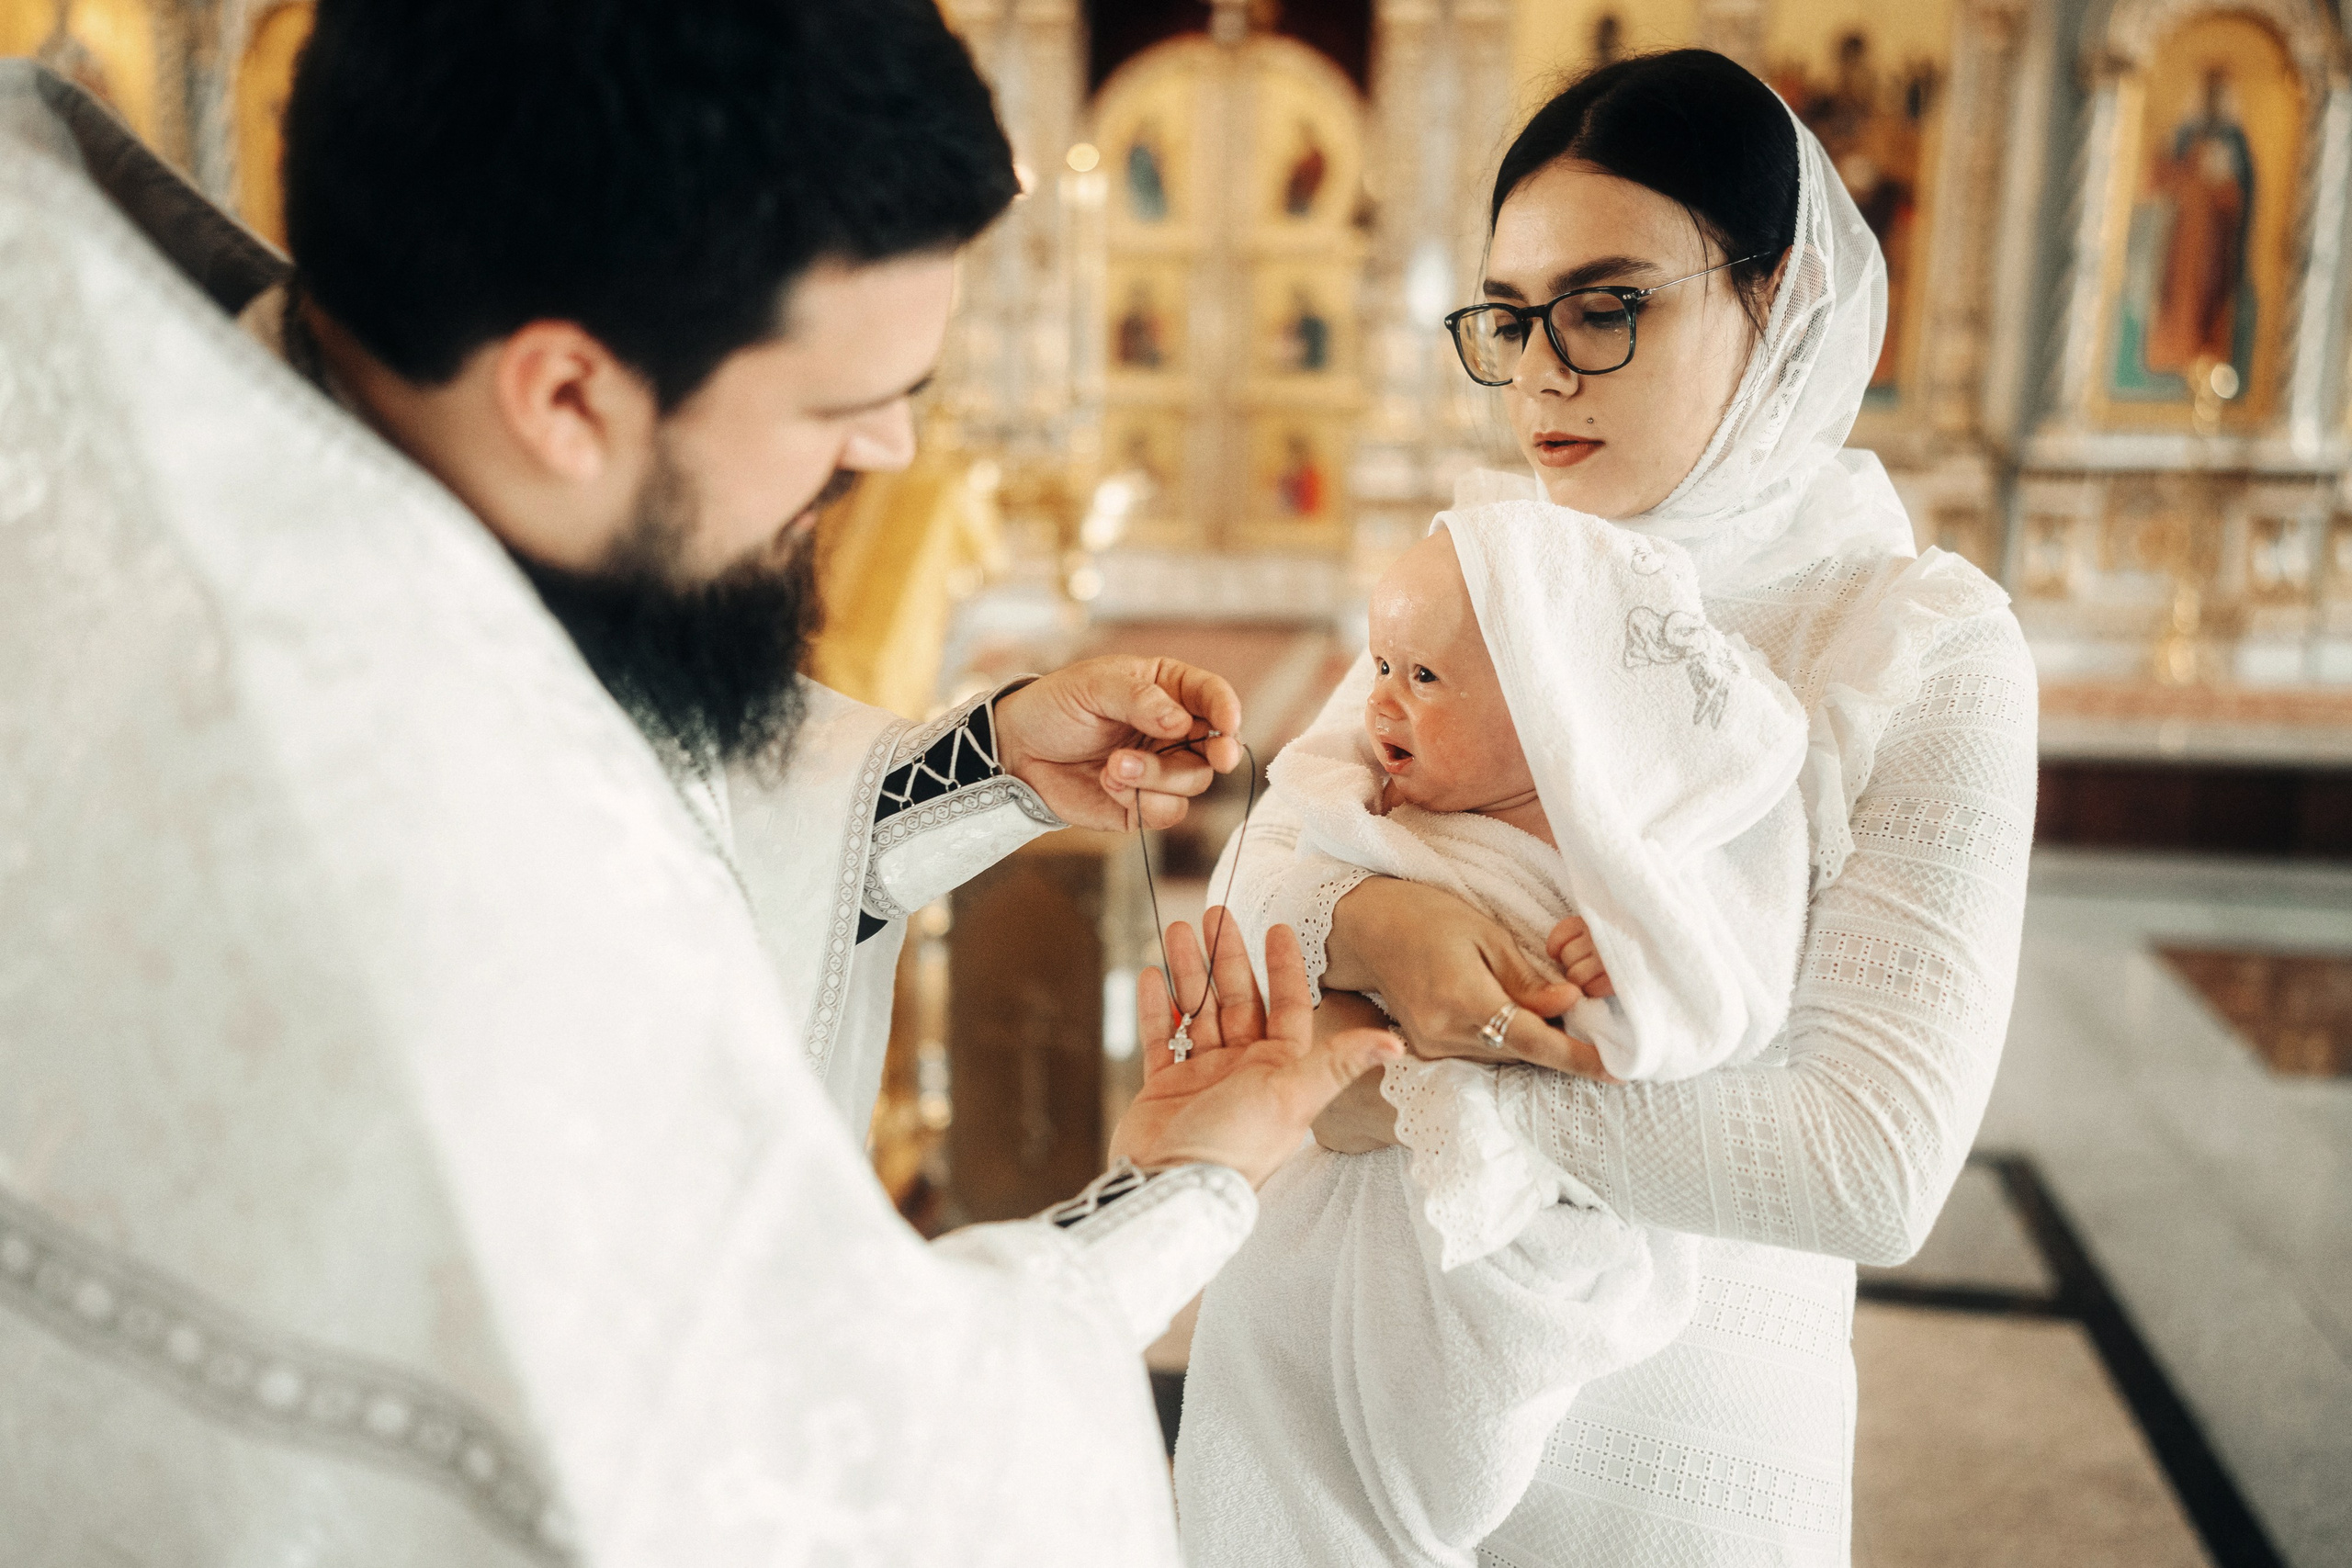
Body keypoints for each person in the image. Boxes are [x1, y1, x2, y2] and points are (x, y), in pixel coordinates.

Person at [0, 3, 1402, 1562]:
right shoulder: (437, 872)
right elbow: (830, 1475)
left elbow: (645, 765)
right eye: (838, 403)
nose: (887, 450)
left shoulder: (183, 405)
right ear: (565, 397)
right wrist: (1183, 1189)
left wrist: (975, 764)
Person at [1220, 50, 2036, 1564]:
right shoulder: (1494, 578)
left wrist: (1440, 1058)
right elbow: (1251, 898)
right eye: (1509, 316)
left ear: (1775, 300)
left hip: (1678, 1430)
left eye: (1605, 307)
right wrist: (1377, 918)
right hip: (1335, 1384)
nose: (1539, 373)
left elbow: (1869, 1163)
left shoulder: (1917, 643)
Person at [1179, 505, 1817, 1566]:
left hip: (1494, 1237)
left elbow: (1718, 999)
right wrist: (1360, 920)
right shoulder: (1370, 799)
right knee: (1262, 1362)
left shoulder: (1624, 858)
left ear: (1551, 700)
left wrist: (1630, 981)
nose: (1379, 698)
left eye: (1422, 679)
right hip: (1331, 1204)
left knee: (1433, 1436)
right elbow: (1257, 900)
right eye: (1381, 663)